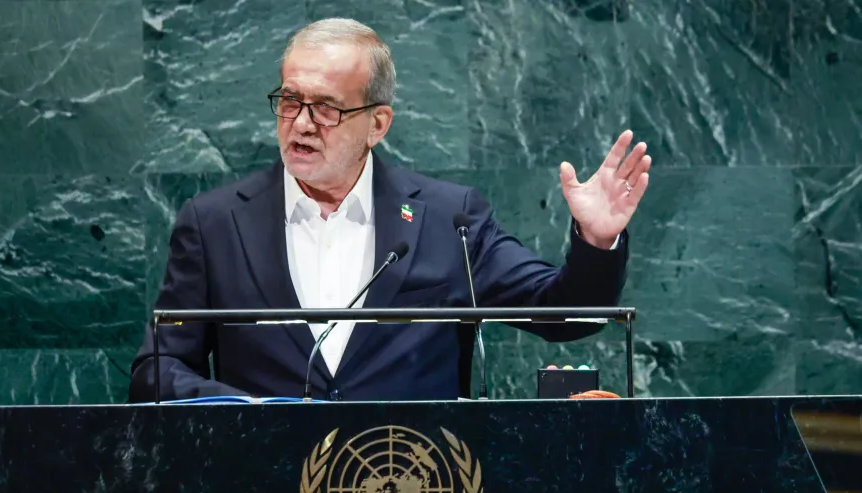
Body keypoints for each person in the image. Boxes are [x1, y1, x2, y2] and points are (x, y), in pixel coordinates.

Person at [129, 18, 652, 402]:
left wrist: (597, 241)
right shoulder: (216, 222)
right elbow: (159, 367)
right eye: (290, 101)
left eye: (326, 107)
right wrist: (247, 409)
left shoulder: (450, 219)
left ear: (378, 124)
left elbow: (566, 314)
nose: (302, 123)